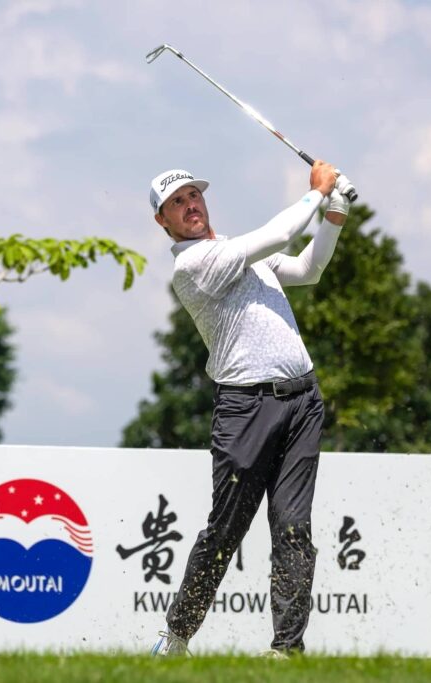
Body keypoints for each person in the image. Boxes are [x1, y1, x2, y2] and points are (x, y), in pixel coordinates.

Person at [148, 161, 351, 657]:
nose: (190, 205)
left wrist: (336, 212)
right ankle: (176, 636)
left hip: (302, 401)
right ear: (164, 222)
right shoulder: (194, 266)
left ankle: (286, 650)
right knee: (226, 530)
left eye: (193, 195)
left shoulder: (238, 250)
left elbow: (309, 269)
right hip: (245, 410)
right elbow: (279, 235)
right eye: (177, 202)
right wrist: (317, 193)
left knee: (293, 527)